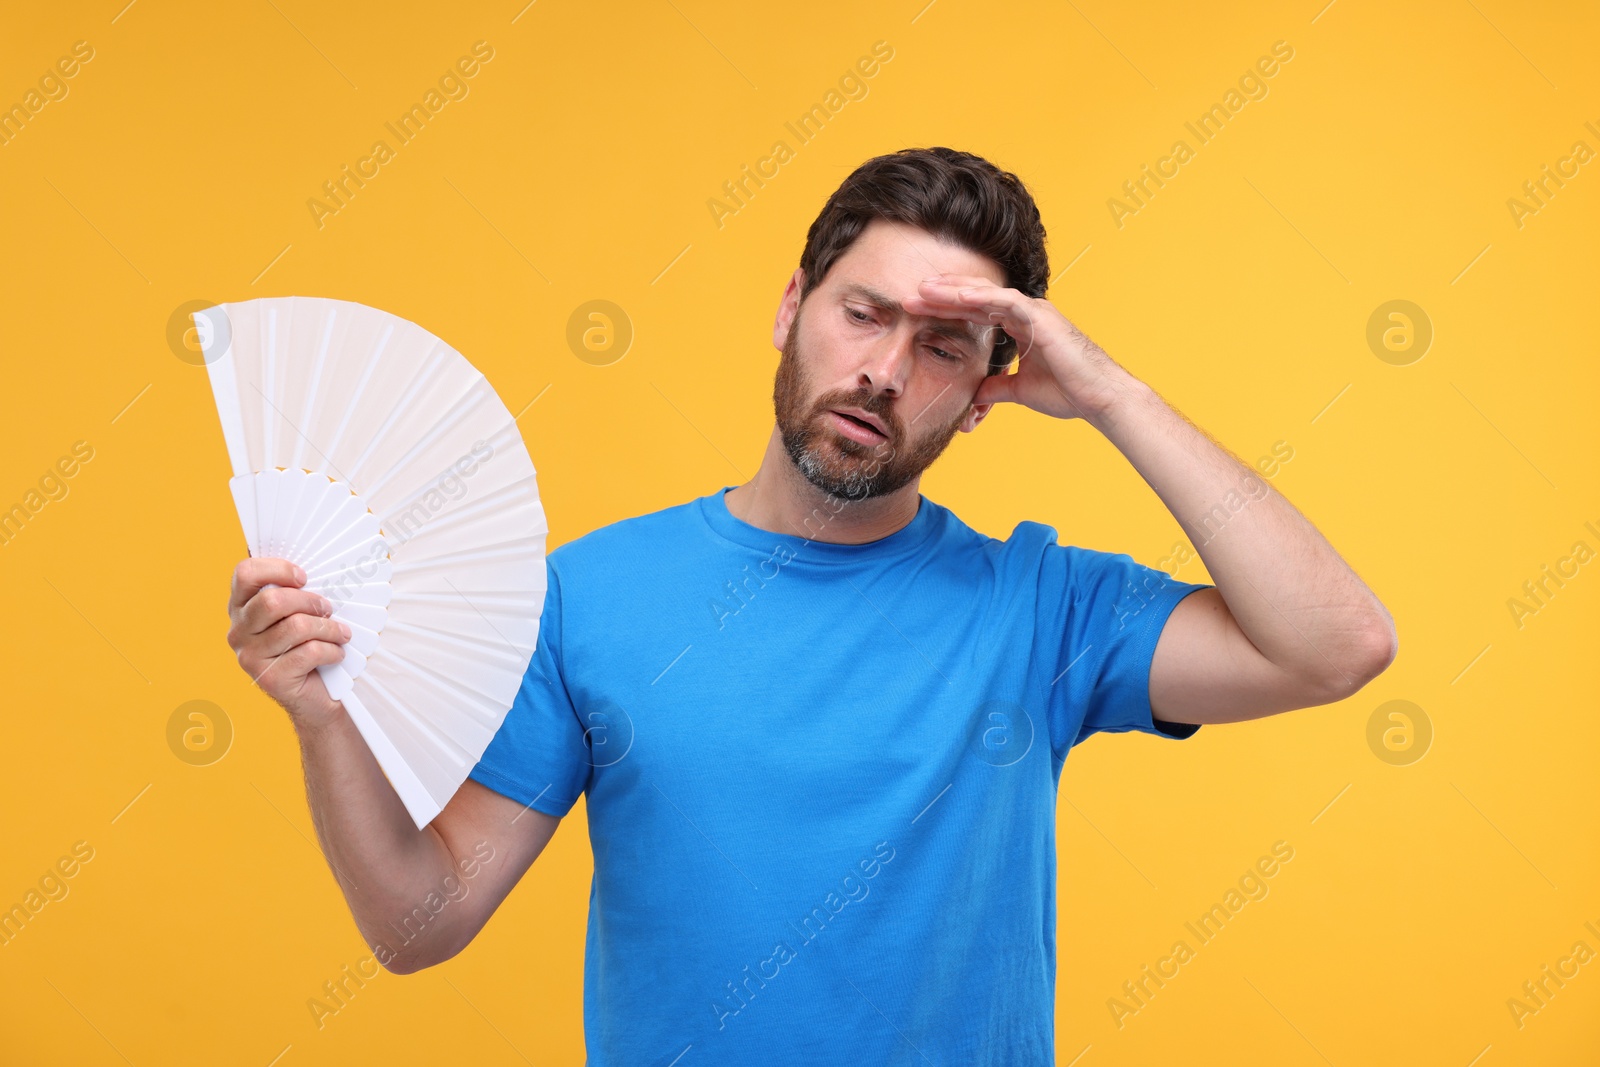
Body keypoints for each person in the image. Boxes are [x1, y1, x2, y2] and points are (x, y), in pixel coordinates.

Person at [225, 147, 1396, 1064]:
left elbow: (1338, 644)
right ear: (791, 304)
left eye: (944, 347)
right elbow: (418, 923)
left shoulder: (1040, 607)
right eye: (862, 312)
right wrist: (321, 717)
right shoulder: (589, 593)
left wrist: (1108, 392)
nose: (886, 370)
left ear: (990, 395)